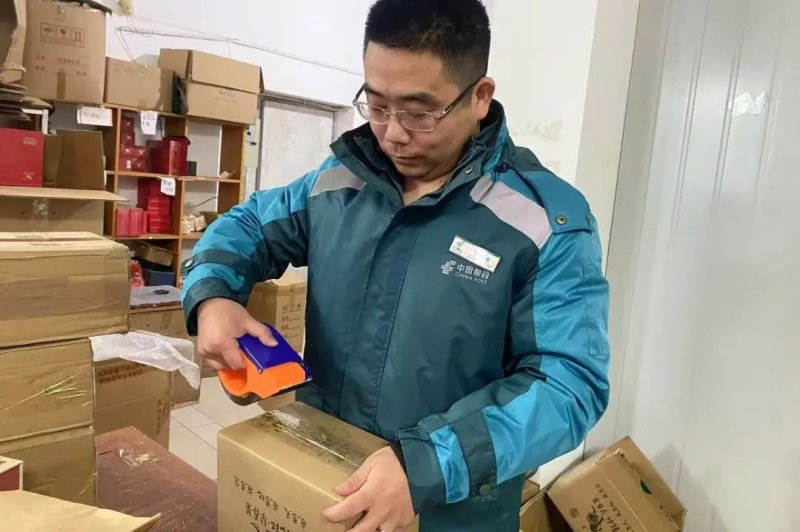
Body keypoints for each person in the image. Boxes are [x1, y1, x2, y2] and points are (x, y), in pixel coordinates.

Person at [181, 0, 610, 530]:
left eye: (419, 112)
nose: (392, 133)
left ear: (479, 97)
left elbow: (569, 386)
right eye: (377, 105)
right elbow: (247, 224)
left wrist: (424, 466)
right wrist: (212, 297)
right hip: (324, 479)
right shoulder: (341, 182)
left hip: (447, 514)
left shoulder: (544, 222)